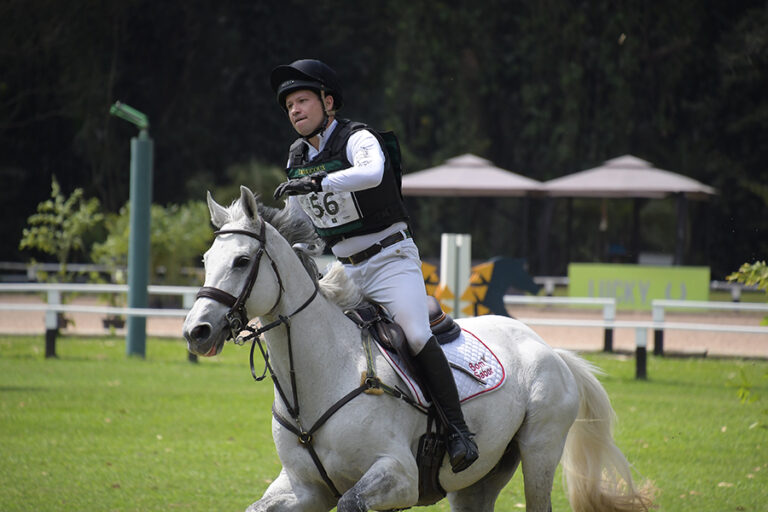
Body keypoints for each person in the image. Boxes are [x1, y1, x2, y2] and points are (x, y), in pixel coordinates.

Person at [270, 59, 478, 473]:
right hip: (344, 268)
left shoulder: (357, 137)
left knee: (416, 334)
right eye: (289, 104)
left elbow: (371, 173)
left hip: (390, 259)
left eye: (303, 100)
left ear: (328, 102)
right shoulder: (297, 154)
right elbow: (297, 222)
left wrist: (318, 183)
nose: (294, 110)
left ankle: (459, 431)